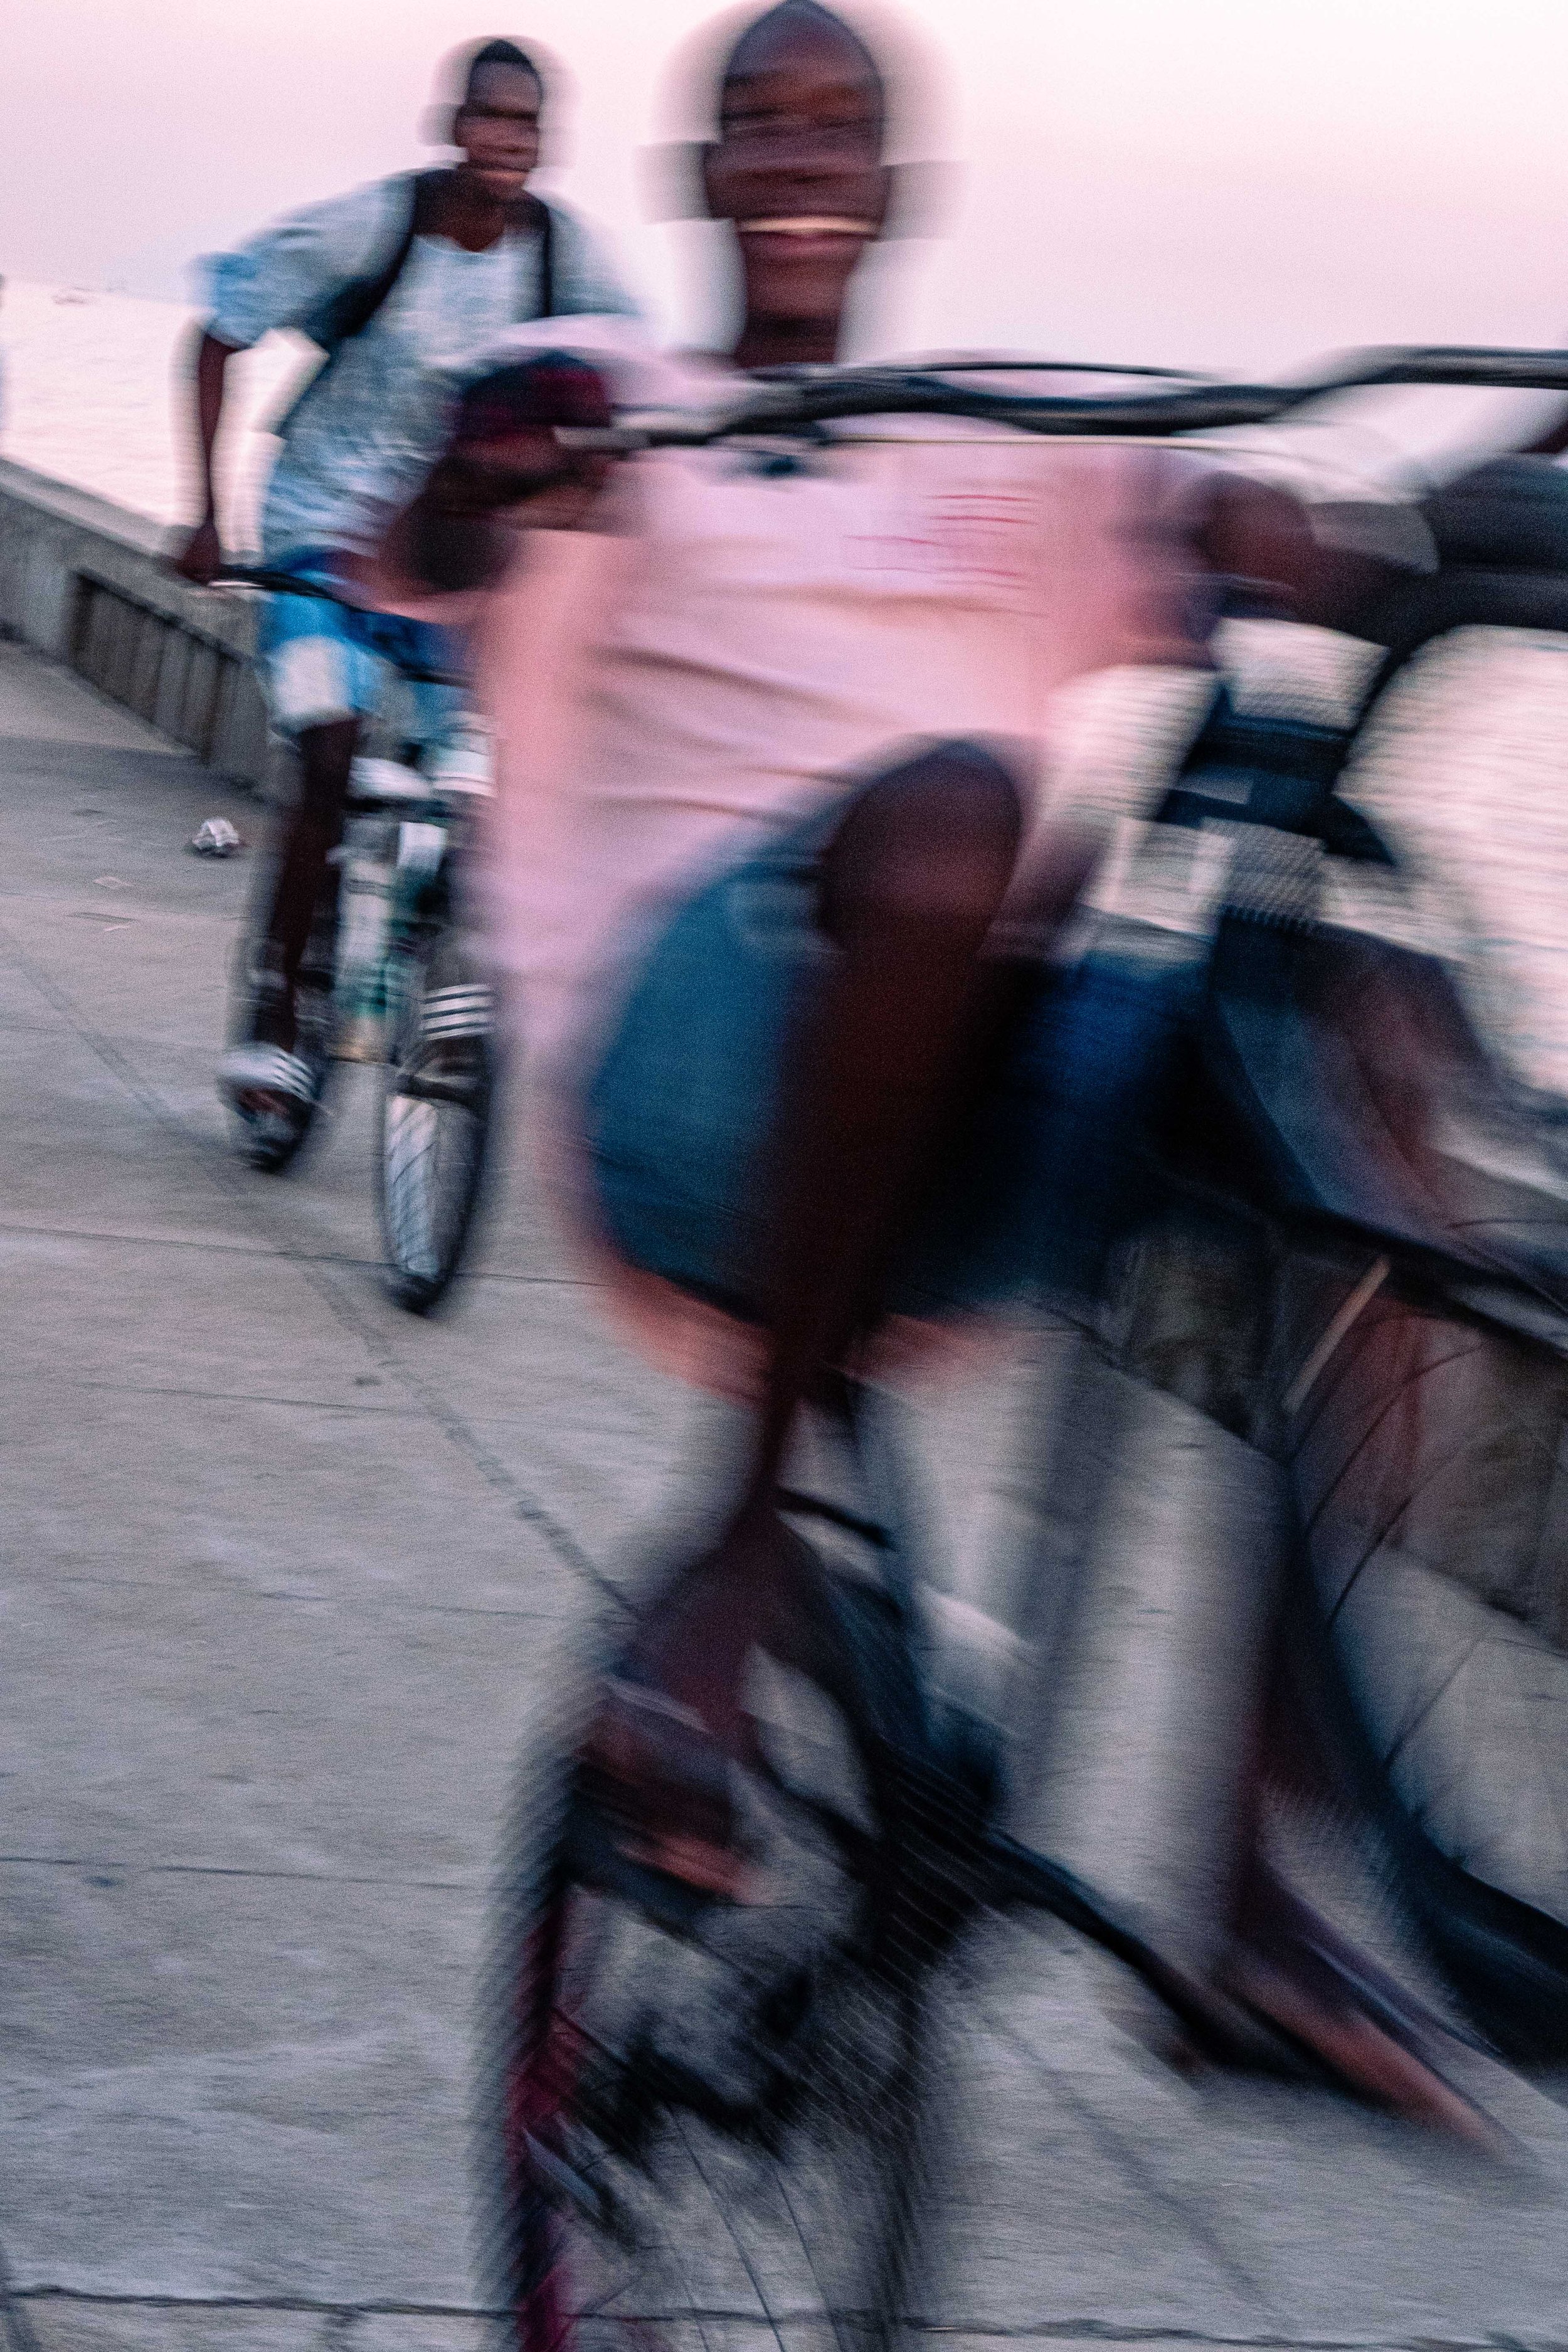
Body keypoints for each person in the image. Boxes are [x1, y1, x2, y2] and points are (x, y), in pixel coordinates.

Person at [359, 0, 1482, 2122]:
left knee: (1358, 1011)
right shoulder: (630, 404)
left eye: (838, 122)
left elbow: (1296, 528)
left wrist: (1399, 522)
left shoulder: (1012, 437)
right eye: (753, 121)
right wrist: (494, 462)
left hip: (951, 1102)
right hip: (686, 1106)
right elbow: (431, 550)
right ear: (698, 181)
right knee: (960, 802)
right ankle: (744, 1539)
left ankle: (1254, 1886)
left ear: (897, 184)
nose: (797, 153)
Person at [172, 35, 637, 1158]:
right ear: (450, 125)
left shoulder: (561, 256)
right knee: (330, 748)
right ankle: (282, 1004)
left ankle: (444, 1010)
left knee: (480, 783)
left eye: (527, 127)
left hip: (447, 564)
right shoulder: (371, 228)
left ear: (547, 144)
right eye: (489, 119)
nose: (506, 144)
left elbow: (640, 383)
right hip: (320, 534)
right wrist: (205, 512)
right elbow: (221, 327)